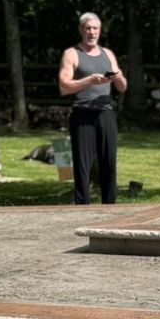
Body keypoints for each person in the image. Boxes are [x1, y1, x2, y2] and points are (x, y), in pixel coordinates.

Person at [57, 13, 126, 205]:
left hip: (106, 112)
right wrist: (89, 80)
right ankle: (82, 207)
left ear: (100, 31)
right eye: (87, 28)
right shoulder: (72, 54)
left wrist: (118, 77)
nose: (91, 32)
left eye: (95, 28)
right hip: (83, 114)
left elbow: (123, 88)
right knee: (82, 166)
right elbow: (64, 87)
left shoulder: (108, 54)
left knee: (109, 163)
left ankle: (110, 207)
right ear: (81, 30)